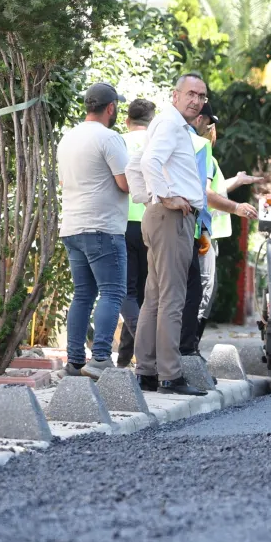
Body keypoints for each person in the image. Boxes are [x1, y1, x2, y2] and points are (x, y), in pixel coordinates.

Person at [130, 73, 211, 395]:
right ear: (175, 95)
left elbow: (135, 163)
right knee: (172, 299)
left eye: (202, 96)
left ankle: (147, 372)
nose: (197, 101)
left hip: (161, 216)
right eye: (191, 94)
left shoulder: (166, 126)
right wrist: (163, 197)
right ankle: (170, 376)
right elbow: (148, 161)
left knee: (154, 299)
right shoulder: (170, 124)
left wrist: (145, 197)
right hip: (170, 218)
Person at [55, 83, 133, 377]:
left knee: (82, 295)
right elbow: (124, 183)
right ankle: (100, 358)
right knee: (112, 292)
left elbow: (64, 183)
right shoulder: (110, 138)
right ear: (111, 108)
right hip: (103, 227)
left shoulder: (67, 139)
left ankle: (74, 362)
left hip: (72, 226)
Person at [179, 105, 259, 357]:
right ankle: (189, 348)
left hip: (187, 229)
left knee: (184, 291)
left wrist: (237, 180)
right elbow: (207, 194)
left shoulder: (182, 148)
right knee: (202, 291)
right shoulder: (203, 151)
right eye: (212, 125)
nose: (214, 131)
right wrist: (237, 208)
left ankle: (182, 347)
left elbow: (213, 188)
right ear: (203, 123)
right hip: (201, 232)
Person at [115, 98, 156, 368]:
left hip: (122, 223)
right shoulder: (156, 143)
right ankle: (125, 359)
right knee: (143, 293)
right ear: (152, 122)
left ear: (127, 121)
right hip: (152, 223)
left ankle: (144, 348)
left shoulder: (117, 142)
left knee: (125, 293)